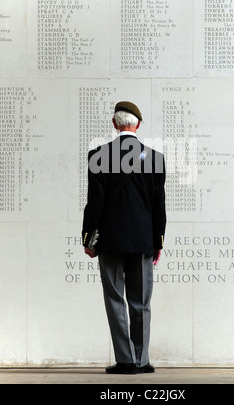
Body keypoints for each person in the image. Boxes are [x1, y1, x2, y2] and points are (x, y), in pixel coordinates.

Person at [82, 101, 166, 374]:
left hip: (110, 239)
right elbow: (158, 207)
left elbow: (94, 202)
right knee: (141, 302)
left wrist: (88, 237)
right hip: (142, 239)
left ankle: (126, 361)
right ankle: (142, 361)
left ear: (114, 124)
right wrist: (157, 242)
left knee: (115, 299)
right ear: (138, 124)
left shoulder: (98, 156)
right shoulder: (154, 158)